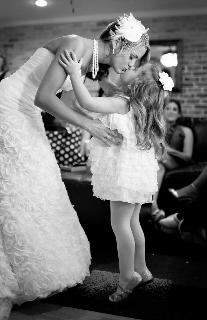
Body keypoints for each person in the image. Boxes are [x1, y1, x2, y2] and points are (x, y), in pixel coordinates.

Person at [0, 13, 150, 319]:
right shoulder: (75, 45)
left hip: (26, 112)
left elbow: (68, 106)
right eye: (132, 56)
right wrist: (91, 127)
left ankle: (30, 264)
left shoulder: (87, 64)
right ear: (118, 42)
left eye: (136, 61)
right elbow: (44, 98)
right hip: (9, 108)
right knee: (19, 184)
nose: (131, 65)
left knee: (37, 182)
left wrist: (103, 123)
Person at [58, 50, 173, 303]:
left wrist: (76, 74)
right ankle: (141, 269)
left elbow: (88, 102)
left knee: (120, 226)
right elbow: (85, 109)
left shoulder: (123, 103)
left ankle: (126, 278)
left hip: (123, 176)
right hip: (137, 175)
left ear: (137, 83)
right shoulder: (143, 109)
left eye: (134, 66)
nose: (127, 66)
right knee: (133, 224)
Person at [150, 99, 194, 223]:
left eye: (175, 109)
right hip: (160, 162)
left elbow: (187, 156)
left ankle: (152, 208)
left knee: (158, 160)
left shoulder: (186, 131)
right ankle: (154, 207)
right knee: (159, 165)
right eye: (168, 108)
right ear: (163, 111)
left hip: (178, 163)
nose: (171, 111)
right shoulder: (157, 129)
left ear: (179, 114)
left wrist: (168, 149)